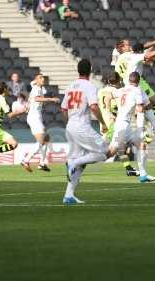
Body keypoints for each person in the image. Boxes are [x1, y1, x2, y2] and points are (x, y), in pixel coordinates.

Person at [61, 59, 114, 204]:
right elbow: (94, 107)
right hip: (81, 127)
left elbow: (63, 109)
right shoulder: (89, 86)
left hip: (71, 126)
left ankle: (68, 195)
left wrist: (69, 125)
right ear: (90, 71)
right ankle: (73, 162)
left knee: (82, 165)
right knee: (106, 153)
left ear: (78, 70)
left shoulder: (70, 86)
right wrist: (103, 123)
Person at [110, 72, 155, 183]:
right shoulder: (137, 90)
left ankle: (143, 175)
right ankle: (79, 162)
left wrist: (110, 110)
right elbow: (140, 109)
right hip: (123, 126)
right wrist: (141, 129)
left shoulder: (123, 89)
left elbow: (111, 95)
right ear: (138, 81)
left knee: (142, 145)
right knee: (110, 152)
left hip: (123, 124)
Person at [115, 37, 155, 132]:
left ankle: (154, 127)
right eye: (128, 45)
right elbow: (145, 54)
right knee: (145, 105)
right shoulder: (130, 55)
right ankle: (144, 131)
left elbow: (142, 51)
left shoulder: (120, 60)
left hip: (128, 83)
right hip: (134, 83)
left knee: (147, 105)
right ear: (122, 47)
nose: (130, 46)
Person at [99, 72, 140, 176]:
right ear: (118, 81)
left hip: (103, 122)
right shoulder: (117, 92)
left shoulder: (100, 91)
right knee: (109, 151)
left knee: (120, 147)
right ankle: (81, 162)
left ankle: (128, 168)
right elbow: (116, 107)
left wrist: (102, 122)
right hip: (113, 124)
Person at [21, 74, 60, 172]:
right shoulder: (36, 88)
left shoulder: (39, 88)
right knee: (41, 140)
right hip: (34, 117)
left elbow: (37, 98)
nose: (43, 79)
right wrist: (51, 99)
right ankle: (26, 160)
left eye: (43, 78)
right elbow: (37, 99)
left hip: (36, 116)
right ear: (36, 80)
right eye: (40, 78)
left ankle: (42, 163)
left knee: (46, 139)